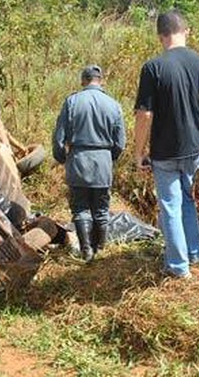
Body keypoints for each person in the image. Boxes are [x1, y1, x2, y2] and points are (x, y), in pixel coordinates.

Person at [133, 9, 199, 279]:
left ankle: (178, 267)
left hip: (165, 152)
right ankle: (193, 252)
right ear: (187, 31)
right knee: (186, 199)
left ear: (160, 36)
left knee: (170, 205)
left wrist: (138, 152)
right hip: (196, 148)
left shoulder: (153, 68)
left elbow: (144, 114)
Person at [52, 65, 126, 262]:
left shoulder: (72, 101)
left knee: (80, 208)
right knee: (101, 210)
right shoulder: (114, 105)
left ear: (83, 80)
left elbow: (59, 137)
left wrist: (62, 158)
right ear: (100, 80)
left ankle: (86, 251)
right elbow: (120, 143)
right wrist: (109, 158)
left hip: (78, 159)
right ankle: (100, 250)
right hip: (102, 161)